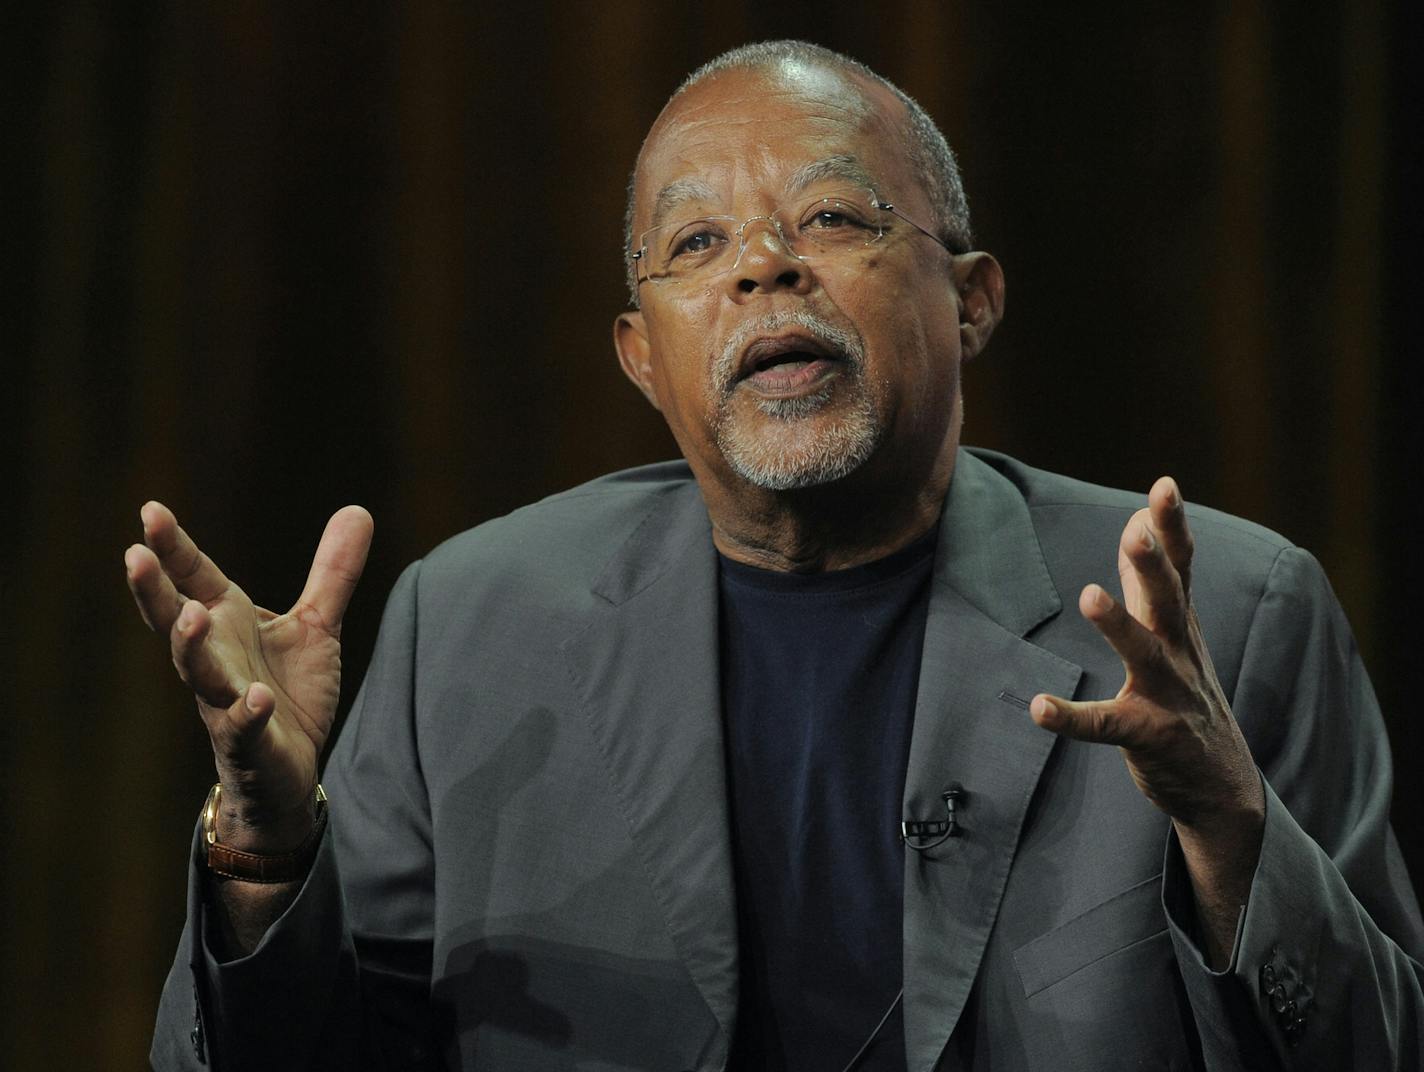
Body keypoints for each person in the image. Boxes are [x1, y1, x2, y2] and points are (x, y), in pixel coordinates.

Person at [133, 40, 1423, 1071]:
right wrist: (268, 851)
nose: (765, 268)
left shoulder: (1221, 612)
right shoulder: (467, 626)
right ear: (642, 355)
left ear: (971, 301)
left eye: (835, 217)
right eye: (696, 246)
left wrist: (1230, 830)